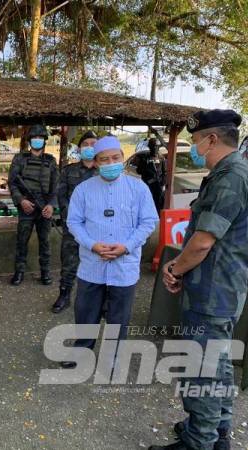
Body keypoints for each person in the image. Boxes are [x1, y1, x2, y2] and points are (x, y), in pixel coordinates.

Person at [151, 110, 248, 450]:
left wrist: (175, 269)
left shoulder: (231, 178)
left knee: (202, 370)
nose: (193, 147)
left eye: (195, 140)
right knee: (219, 365)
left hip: (213, 294)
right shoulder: (230, 173)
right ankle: (217, 432)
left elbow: (202, 241)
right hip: (216, 288)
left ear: (212, 139)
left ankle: (200, 442)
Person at [60, 136, 158, 369]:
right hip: (92, 263)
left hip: (125, 264)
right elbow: (74, 222)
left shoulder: (139, 188)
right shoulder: (83, 190)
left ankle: (113, 357)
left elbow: (148, 222)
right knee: (85, 311)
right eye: (104, 159)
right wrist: (91, 244)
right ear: (95, 162)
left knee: (119, 315)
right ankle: (82, 351)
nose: (111, 162)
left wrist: (127, 246)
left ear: (123, 158)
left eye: (115, 158)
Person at [51, 130, 98, 313]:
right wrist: (71, 219)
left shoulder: (103, 172)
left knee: (97, 263)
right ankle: (64, 295)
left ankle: (95, 300)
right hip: (73, 227)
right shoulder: (69, 171)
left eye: (93, 144)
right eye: (85, 144)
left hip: (97, 228)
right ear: (79, 149)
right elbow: (61, 196)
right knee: (69, 262)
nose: (89, 148)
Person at [8, 124, 59, 286]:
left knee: (45, 242)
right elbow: (12, 183)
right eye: (34, 138)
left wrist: (51, 205)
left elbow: (56, 186)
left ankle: (45, 272)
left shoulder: (51, 161)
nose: (37, 141)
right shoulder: (20, 159)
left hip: (44, 208)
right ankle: (19, 272)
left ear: (44, 141)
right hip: (26, 208)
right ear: (30, 141)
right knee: (21, 241)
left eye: (40, 138)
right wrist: (21, 200)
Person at [136, 137, 167, 212]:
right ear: (149, 147)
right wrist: (146, 167)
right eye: (153, 146)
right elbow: (139, 171)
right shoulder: (145, 158)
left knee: (159, 204)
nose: (155, 148)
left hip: (158, 186)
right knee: (148, 204)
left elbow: (164, 172)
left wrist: (162, 183)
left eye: (156, 146)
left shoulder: (161, 158)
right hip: (148, 185)